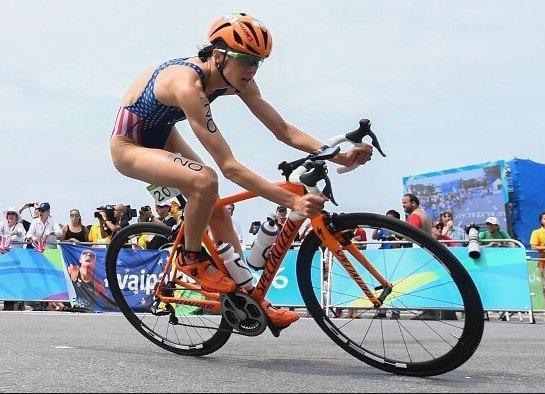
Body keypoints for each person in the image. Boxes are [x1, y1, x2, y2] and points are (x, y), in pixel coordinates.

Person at [108, 13, 373, 329]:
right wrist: (291, 202)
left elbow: (283, 130)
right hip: (129, 148)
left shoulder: (235, 79)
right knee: (206, 181)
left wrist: (340, 157)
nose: (252, 69)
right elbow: (229, 167)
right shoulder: (188, 85)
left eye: (258, 62)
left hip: (163, 136)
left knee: (216, 209)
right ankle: (190, 259)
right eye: (247, 59)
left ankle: (251, 300)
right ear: (218, 55)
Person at [1, 206, 27, 311]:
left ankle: (18, 303)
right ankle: (7, 303)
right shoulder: (3, 224)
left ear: (16, 216)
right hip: (5, 255)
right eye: (9, 214)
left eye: (13, 214)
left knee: (16, 279)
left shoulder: (19, 225)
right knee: (6, 278)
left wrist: (15, 232)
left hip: (17, 255)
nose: (10, 216)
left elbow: (22, 233)